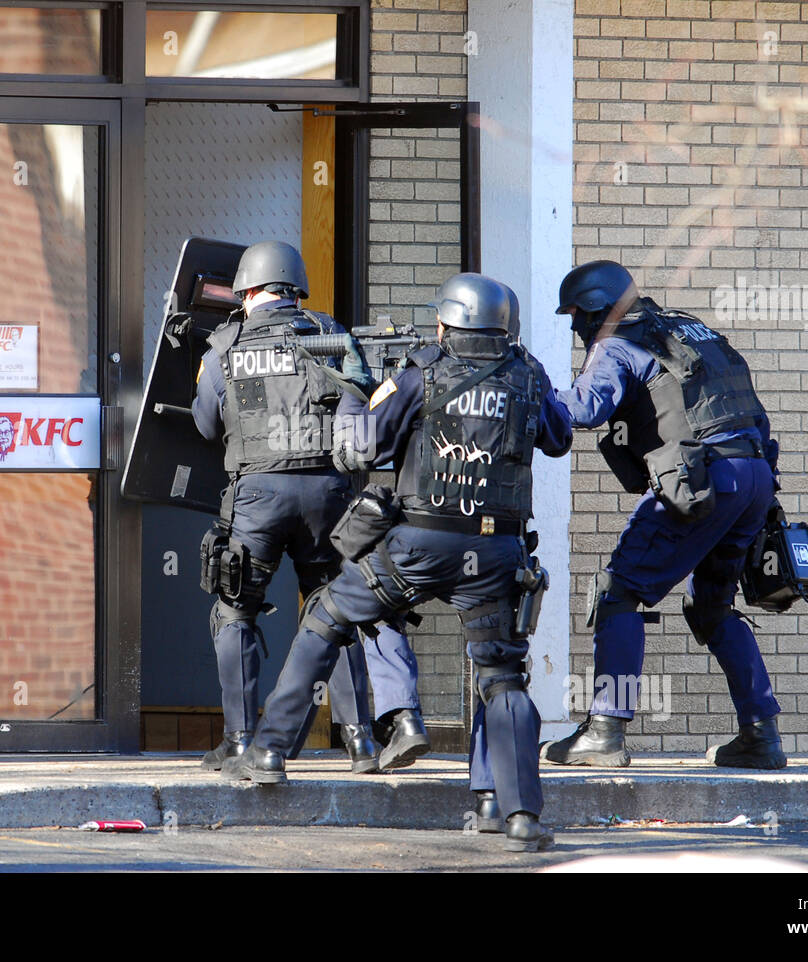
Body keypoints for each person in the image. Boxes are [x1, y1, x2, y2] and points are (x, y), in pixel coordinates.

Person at [223, 273, 572, 853]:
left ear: (445, 322)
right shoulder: (528, 373)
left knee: (327, 616)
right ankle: (510, 813)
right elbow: (558, 437)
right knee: (501, 677)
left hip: (417, 546)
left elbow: (366, 447)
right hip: (493, 553)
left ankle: (267, 751)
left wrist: (361, 389)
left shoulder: (422, 368)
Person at [191, 240, 424, 775]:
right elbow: (363, 407)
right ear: (296, 289)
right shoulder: (332, 335)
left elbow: (205, 426)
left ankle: (243, 740)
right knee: (335, 609)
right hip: (330, 494)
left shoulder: (224, 344)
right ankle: (362, 743)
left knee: (235, 608)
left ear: (248, 291)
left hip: (258, 495)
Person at [542, 260, 786, 769]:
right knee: (712, 608)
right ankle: (760, 735)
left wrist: (528, 391)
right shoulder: (692, 329)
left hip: (701, 479)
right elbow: (751, 408)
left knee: (618, 594)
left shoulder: (618, 342)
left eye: (577, 317)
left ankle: (605, 731)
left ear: (596, 310)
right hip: (754, 476)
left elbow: (584, 409)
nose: (574, 328)